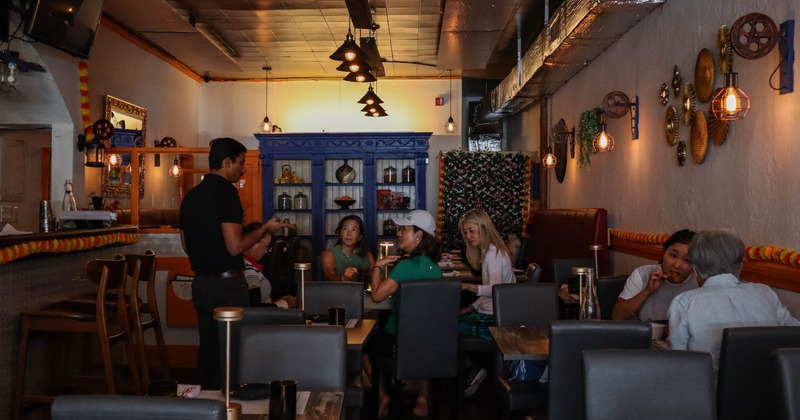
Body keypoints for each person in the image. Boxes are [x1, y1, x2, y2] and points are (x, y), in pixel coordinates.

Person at [179, 137, 287, 390]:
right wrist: (265, 230)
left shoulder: (191, 196)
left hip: (201, 284)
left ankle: (207, 406)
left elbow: (185, 243)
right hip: (227, 286)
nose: (243, 168)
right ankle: (233, 406)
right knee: (231, 351)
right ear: (227, 162)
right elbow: (235, 246)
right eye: (240, 162)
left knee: (208, 348)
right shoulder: (227, 193)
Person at [668, 229, 800, 373]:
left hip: (708, 391)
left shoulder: (684, 302)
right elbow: (795, 333)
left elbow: (677, 364)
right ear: (739, 265)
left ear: (695, 270)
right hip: (772, 388)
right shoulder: (765, 293)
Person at [369, 209, 442, 418]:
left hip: (396, 341)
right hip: (427, 343)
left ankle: (383, 395)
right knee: (422, 341)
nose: (398, 233)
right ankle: (422, 397)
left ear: (419, 236)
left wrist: (377, 267)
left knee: (366, 345)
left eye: (404, 230)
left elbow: (376, 296)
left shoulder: (404, 267)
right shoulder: (436, 269)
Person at [456, 209, 516, 397]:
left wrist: (469, 287)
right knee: (451, 319)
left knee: (445, 324)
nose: (468, 236)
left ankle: (474, 368)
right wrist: (471, 307)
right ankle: (476, 366)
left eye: (471, 230)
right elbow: (490, 291)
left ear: (484, 228)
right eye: (465, 232)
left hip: (495, 320)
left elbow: (495, 290)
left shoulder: (493, 255)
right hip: (494, 313)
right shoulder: (489, 251)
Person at [612, 229, 698, 321]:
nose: (677, 265)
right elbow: (617, 317)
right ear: (663, 253)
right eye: (673, 255)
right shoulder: (642, 274)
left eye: (687, 260)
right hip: (647, 334)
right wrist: (647, 291)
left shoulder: (699, 282)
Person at [242, 222, 296, 308]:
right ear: (253, 243)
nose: (266, 251)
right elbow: (255, 308)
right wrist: (285, 304)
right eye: (265, 246)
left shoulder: (251, 266)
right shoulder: (248, 269)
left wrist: (278, 302)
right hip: (265, 318)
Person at [321, 215, 376, 282]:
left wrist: (380, 266)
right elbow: (329, 275)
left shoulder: (368, 256)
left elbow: (376, 280)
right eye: (345, 228)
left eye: (354, 229)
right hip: (336, 292)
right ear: (340, 234)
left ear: (360, 237)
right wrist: (344, 278)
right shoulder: (329, 254)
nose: (349, 234)